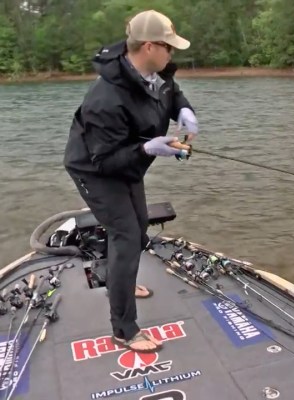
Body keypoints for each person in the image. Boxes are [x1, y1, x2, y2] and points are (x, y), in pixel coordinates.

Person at [63, 9, 198, 353]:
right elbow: (106, 161)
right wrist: (149, 148)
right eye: (169, 46)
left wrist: (183, 110)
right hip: (96, 169)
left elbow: (171, 92)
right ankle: (124, 329)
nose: (173, 53)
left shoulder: (157, 69)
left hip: (129, 162)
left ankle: (117, 284)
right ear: (149, 46)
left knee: (138, 229)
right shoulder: (105, 99)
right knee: (125, 235)